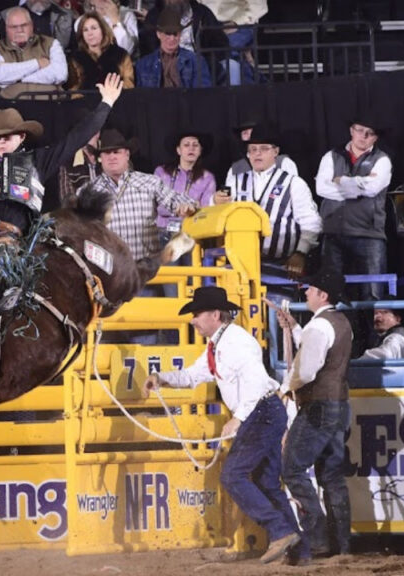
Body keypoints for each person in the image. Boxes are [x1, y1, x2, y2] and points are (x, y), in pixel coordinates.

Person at [0, 73, 123, 386]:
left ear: (21, 137)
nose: (2, 140)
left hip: (5, 241)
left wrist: (106, 103)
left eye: (9, 135)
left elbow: (76, 137)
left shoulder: (38, 161)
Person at [144, 286, 301, 565]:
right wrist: (162, 378)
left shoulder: (236, 342)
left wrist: (238, 418)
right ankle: (298, 549)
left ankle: (281, 531)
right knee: (265, 481)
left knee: (233, 475)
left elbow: (254, 381)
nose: (193, 320)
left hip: (260, 413)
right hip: (265, 412)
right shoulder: (219, 344)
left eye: (197, 314)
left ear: (215, 314)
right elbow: (194, 374)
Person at [276, 268, 354, 564]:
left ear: (322, 294)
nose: (305, 292)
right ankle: (342, 545)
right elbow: (320, 351)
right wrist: (295, 328)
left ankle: (319, 539)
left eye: (310, 289)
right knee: (332, 476)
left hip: (318, 407)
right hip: (339, 405)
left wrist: (286, 387)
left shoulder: (317, 327)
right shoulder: (341, 323)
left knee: (293, 469)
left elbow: (307, 370)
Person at [84, 128, 198, 270]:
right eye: (107, 153)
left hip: (145, 269)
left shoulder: (150, 182)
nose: (112, 157)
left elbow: (178, 200)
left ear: (127, 155)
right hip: (109, 273)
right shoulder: (88, 191)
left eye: (117, 152)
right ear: (100, 158)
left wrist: (185, 206)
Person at [223, 125, 321, 281]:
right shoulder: (235, 181)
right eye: (253, 149)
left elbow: (311, 221)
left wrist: (301, 252)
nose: (257, 153)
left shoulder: (293, 183)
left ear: (276, 152)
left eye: (264, 148)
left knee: (276, 303)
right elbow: (221, 214)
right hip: (239, 264)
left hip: (279, 263)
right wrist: (215, 201)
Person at [314, 116, 392, 300]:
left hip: (369, 234)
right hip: (333, 233)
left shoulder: (382, 160)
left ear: (375, 138)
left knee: (373, 296)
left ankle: (374, 329)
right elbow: (321, 188)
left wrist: (340, 181)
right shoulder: (331, 156)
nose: (363, 136)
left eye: (369, 133)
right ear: (351, 130)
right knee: (330, 294)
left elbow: (373, 188)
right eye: (359, 130)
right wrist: (358, 188)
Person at [155, 129, 215, 259]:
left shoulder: (207, 177)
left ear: (200, 151)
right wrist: (180, 209)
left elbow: (205, 210)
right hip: (162, 232)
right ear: (178, 150)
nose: (191, 149)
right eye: (186, 145)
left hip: (190, 234)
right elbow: (155, 205)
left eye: (195, 145)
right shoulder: (162, 172)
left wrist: (193, 210)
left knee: (191, 276)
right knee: (168, 277)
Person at [0, 6, 67, 98]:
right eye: (14, 27)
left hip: (50, 103)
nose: (19, 30)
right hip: (12, 106)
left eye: (24, 25)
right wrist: (37, 63)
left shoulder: (51, 43)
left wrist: (18, 79)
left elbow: (60, 74)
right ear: (7, 28)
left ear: (31, 25)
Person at [135, 8, 211, 89]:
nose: (172, 38)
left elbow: (202, 95)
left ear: (180, 34)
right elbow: (140, 98)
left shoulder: (196, 62)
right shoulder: (144, 65)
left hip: (186, 101)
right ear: (159, 34)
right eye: (168, 33)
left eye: (175, 34)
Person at [66, 11, 133, 90]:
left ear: (103, 30)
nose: (90, 33)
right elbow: (73, 88)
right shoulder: (75, 58)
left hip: (115, 99)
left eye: (94, 28)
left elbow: (129, 84)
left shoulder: (121, 55)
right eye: (85, 30)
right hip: (85, 100)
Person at [225, 119, 298, 183]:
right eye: (245, 133)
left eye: (253, 132)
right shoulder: (236, 168)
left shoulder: (284, 163)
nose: (250, 137)